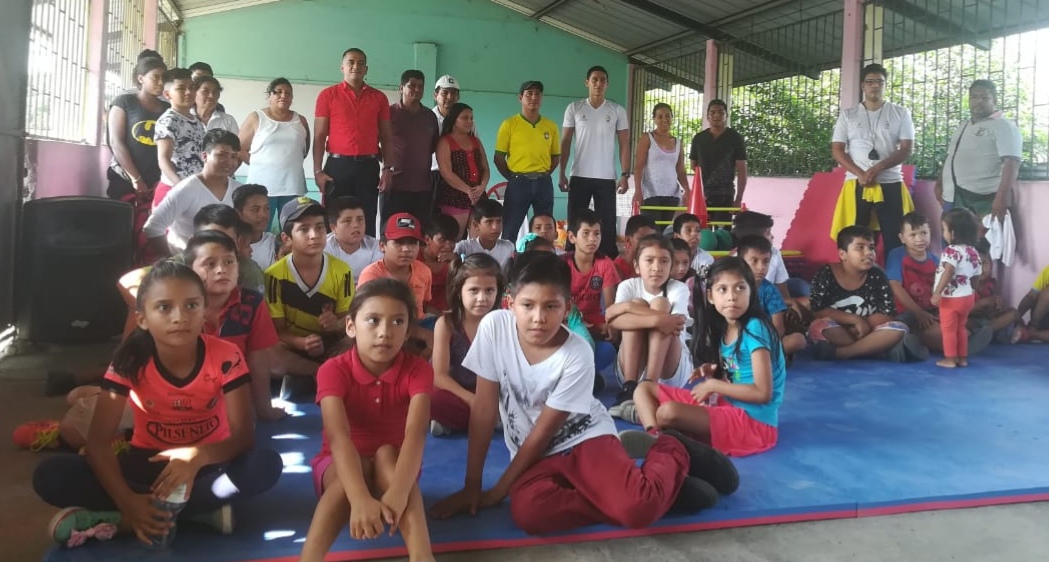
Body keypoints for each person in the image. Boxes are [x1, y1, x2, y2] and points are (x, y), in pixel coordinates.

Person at [430, 251, 738, 534]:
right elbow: (484, 409)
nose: (538, 318)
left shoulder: (576, 354)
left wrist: (497, 492)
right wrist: (472, 486)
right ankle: (640, 491)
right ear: (510, 304)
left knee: (637, 509)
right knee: (530, 514)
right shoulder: (494, 327)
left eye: (551, 306)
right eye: (528, 305)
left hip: (583, 439)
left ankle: (671, 449)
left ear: (567, 309)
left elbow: (543, 433)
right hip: (534, 454)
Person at [33, 261, 282, 548]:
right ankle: (189, 514)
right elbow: (98, 444)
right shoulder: (129, 360)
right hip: (146, 468)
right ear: (142, 319)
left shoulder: (226, 355)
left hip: (207, 467)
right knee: (51, 475)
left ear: (204, 313)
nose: (179, 317)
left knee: (266, 465)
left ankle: (125, 520)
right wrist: (128, 500)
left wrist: (198, 456)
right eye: (164, 307)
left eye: (191, 306)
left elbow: (243, 437)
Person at [298, 279, 434, 562]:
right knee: (355, 465)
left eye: (397, 322)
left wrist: (399, 491)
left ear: (408, 331)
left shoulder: (418, 370)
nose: (385, 332)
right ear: (351, 326)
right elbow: (338, 438)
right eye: (373, 320)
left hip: (397, 468)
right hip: (339, 467)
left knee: (386, 454)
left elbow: (416, 434)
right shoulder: (332, 370)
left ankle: (423, 557)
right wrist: (359, 497)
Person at [627, 256, 786, 457]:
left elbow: (763, 393)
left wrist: (713, 385)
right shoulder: (726, 327)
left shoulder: (755, 328)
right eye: (723, 289)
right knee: (643, 389)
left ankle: (655, 427)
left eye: (740, 288)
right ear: (710, 296)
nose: (732, 297)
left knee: (668, 412)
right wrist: (716, 370)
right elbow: (740, 372)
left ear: (751, 292)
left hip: (753, 423)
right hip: (725, 405)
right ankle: (654, 435)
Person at [182, 232, 291, 421]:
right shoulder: (179, 307)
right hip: (184, 400)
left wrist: (264, 409)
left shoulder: (252, 303)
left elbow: (258, 361)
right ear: (190, 270)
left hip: (234, 398)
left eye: (229, 262)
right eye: (210, 264)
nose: (221, 270)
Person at [830, 63, 915, 255]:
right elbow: (837, 150)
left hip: (890, 181)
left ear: (885, 84)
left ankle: (893, 273)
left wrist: (877, 169)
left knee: (896, 238)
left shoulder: (900, 113)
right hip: (856, 182)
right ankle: (859, 273)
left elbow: (906, 149)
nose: (875, 86)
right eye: (870, 82)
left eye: (879, 82)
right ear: (862, 85)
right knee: (855, 239)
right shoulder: (848, 115)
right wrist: (860, 173)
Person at [606, 235, 693, 409]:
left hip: (670, 369)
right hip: (632, 369)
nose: (657, 267)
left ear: (671, 266)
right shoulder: (628, 286)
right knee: (638, 303)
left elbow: (675, 323)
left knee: (661, 303)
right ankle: (630, 387)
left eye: (664, 261)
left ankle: (650, 386)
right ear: (637, 266)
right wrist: (656, 318)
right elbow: (613, 321)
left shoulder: (679, 288)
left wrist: (626, 309)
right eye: (649, 260)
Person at [313, 48, 393, 236]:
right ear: (342, 67)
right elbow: (319, 136)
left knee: (367, 218)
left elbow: (386, 136)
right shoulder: (327, 95)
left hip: (368, 167)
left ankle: (366, 255)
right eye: (351, 62)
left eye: (360, 63)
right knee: (334, 219)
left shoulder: (379, 98)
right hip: (337, 167)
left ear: (366, 69)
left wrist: (388, 169)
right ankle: (332, 254)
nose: (355, 66)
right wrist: (317, 171)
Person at [265, 197, 354, 362]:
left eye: (319, 227)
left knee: (355, 343)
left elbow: (347, 319)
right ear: (286, 238)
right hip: (291, 347)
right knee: (269, 352)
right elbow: (278, 330)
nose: (314, 235)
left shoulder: (343, 271)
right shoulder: (273, 275)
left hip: (331, 343)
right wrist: (301, 343)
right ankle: (320, 371)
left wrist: (336, 324)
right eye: (304, 229)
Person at [808, 226, 912, 362]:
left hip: (869, 330)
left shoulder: (878, 275)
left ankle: (842, 353)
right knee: (819, 327)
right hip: (839, 329)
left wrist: (864, 325)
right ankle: (874, 349)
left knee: (899, 328)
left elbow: (886, 313)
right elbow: (818, 310)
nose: (868, 253)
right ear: (842, 254)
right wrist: (855, 321)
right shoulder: (825, 274)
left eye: (871, 248)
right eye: (860, 248)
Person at [430, 254, 504, 436]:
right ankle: (490, 420)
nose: (482, 298)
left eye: (489, 290)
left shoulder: (503, 322)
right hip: (459, 392)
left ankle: (459, 423)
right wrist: (472, 400)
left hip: (493, 395)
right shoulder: (447, 324)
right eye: (474, 290)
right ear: (459, 291)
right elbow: (439, 376)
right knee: (432, 398)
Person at [560, 66, 630, 258]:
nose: (598, 84)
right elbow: (565, 142)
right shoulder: (574, 108)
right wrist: (561, 173)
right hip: (579, 175)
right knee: (576, 221)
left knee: (607, 224)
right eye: (594, 80)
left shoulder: (617, 110)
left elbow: (624, 144)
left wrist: (625, 174)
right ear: (587, 82)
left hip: (606, 178)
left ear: (607, 84)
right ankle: (570, 261)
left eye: (602, 80)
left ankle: (607, 263)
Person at [107, 56, 168, 265]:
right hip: (125, 180)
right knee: (122, 232)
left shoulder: (167, 109)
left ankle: (146, 275)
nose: (161, 82)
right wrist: (136, 179)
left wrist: (160, 181)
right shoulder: (124, 102)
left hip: (158, 183)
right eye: (155, 77)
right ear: (141, 78)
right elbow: (116, 142)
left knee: (152, 234)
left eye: (164, 78)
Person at [143, 129, 242, 255]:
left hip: (223, 259)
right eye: (222, 155)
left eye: (234, 156)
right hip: (187, 258)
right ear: (204, 156)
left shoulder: (239, 190)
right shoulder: (186, 189)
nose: (229, 161)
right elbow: (153, 227)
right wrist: (171, 261)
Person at [935, 80, 1023, 221]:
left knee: (982, 235)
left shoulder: (1004, 126)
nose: (978, 101)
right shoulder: (964, 126)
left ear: (994, 100)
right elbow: (951, 157)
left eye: (984, 97)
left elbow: (1012, 163)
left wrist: (1002, 197)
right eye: (974, 97)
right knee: (952, 235)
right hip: (953, 195)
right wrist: (940, 183)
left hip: (984, 199)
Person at [355, 213, 434, 358]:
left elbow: (425, 305)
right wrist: (422, 334)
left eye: (413, 243)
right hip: (384, 328)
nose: (406, 249)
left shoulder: (424, 271)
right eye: (399, 243)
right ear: (382, 246)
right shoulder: (371, 275)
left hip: (419, 323)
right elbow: (369, 318)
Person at [239, 77, 311, 230]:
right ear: (269, 96)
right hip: (261, 187)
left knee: (292, 230)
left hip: (293, 185)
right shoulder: (256, 117)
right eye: (278, 92)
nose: (283, 95)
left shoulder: (301, 120)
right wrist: (260, 163)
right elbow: (239, 149)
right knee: (258, 230)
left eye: (288, 93)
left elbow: (303, 150)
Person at [494, 80, 560, 242]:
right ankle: (510, 258)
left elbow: (555, 157)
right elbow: (499, 158)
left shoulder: (551, 126)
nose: (534, 97)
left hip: (544, 183)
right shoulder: (509, 124)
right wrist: (513, 177)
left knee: (544, 229)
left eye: (537, 94)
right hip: (518, 183)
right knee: (510, 229)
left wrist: (543, 174)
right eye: (529, 94)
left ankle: (541, 257)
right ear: (520, 98)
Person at [382, 70, 440, 227]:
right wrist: (388, 166)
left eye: (420, 86)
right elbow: (374, 143)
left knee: (420, 232)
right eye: (412, 85)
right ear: (401, 88)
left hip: (422, 187)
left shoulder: (430, 117)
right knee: (393, 231)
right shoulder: (388, 113)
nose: (417, 90)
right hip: (394, 186)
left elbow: (433, 146)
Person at [736, 236, 807, 355]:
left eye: (766, 261)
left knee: (798, 340)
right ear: (740, 262)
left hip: (766, 341)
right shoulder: (733, 288)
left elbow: (778, 328)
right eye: (754, 261)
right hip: (738, 340)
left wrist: (764, 345)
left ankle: (762, 357)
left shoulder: (770, 290)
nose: (761, 267)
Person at [931, 209, 983, 368]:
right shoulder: (973, 252)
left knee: (948, 329)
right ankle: (962, 358)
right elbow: (977, 275)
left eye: (944, 229)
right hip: (967, 297)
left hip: (951, 299)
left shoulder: (951, 251)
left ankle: (950, 359)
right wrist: (973, 291)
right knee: (961, 327)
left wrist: (937, 292)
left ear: (953, 233)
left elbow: (948, 271)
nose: (943, 233)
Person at [153, 68, 207, 208]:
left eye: (191, 87)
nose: (188, 92)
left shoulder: (196, 121)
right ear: (167, 94)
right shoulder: (168, 121)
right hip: (174, 189)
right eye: (181, 88)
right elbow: (163, 159)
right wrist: (181, 186)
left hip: (195, 188)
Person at [688, 100, 748, 224]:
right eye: (713, 112)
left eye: (721, 112)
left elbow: (742, 170)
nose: (716, 115)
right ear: (707, 116)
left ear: (726, 115)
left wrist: (738, 199)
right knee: (702, 230)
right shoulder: (699, 139)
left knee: (723, 232)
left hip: (725, 194)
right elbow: (693, 166)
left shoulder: (735, 138)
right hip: (702, 195)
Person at [563, 209, 619, 341]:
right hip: (569, 320)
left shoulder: (605, 263)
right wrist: (578, 321)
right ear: (572, 237)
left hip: (596, 322)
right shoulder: (562, 263)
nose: (592, 239)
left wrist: (610, 325)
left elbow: (610, 305)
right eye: (586, 233)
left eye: (597, 233)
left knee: (613, 332)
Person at [435, 103, 488, 237]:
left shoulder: (476, 141)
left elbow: (485, 168)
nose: (469, 121)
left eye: (471, 118)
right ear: (454, 120)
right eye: (465, 118)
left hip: (478, 195)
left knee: (479, 239)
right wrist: (468, 190)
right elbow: (446, 173)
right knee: (454, 238)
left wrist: (482, 186)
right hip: (454, 196)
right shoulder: (445, 142)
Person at [634, 103, 690, 226]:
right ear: (654, 119)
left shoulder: (678, 142)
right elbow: (638, 167)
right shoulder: (647, 138)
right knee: (651, 230)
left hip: (672, 194)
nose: (664, 119)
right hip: (650, 193)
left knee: (664, 230)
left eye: (668, 116)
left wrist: (687, 189)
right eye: (660, 116)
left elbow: (680, 170)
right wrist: (638, 190)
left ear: (672, 118)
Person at [970, 243, 1024, 344]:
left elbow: (993, 309)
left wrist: (997, 305)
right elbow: (962, 311)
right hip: (971, 320)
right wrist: (981, 304)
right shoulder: (965, 285)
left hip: (988, 321)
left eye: (985, 263)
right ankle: (984, 334)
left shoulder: (990, 284)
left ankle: (988, 332)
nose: (981, 268)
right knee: (967, 323)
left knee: (1013, 313)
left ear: (991, 265)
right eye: (976, 264)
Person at [325, 196, 382, 286]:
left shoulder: (376, 246)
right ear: (333, 228)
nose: (356, 225)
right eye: (347, 221)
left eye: (360, 219)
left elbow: (377, 283)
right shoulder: (324, 247)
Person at [454, 198, 516, 275]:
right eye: (489, 222)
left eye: (499, 221)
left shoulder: (508, 247)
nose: (495, 227)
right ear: (476, 225)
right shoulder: (464, 247)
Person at [420, 214, 461, 314]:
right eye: (442, 240)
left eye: (452, 241)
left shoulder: (454, 261)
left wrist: (456, 264)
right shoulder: (413, 257)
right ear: (427, 239)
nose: (448, 246)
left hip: (445, 314)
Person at [233, 184, 278, 271]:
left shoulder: (275, 244)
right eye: (255, 209)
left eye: (267, 208)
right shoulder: (229, 246)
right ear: (238, 213)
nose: (263, 215)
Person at [430, 74, 461, 184]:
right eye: (445, 93)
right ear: (435, 95)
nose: (449, 97)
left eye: (453, 93)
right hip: (434, 175)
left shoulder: (467, 121)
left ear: (458, 97)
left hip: (460, 175)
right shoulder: (427, 119)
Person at [615, 215, 658, 281]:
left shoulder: (657, 264)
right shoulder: (616, 268)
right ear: (628, 240)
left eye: (652, 239)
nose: (649, 244)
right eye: (642, 239)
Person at [1015, 264, 1049, 342]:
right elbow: (1031, 296)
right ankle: (1032, 327)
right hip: (1041, 317)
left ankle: (1031, 335)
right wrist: (1016, 316)